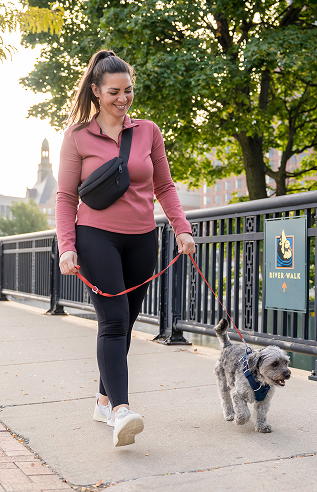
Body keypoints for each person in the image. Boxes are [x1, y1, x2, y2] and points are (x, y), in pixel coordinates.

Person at [56, 50, 195, 447]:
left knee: (127, 321)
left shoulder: (148, 131)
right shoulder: (78, 136)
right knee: (114, 320)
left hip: (141, 238)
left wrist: (181, 229)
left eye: (128, 90)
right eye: (114, 91)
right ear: (97, 92)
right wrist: (68, 246)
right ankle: (121, 411)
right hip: (95, 235)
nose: (123, 98)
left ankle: (103, 400)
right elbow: (66, 197)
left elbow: (164, 187)